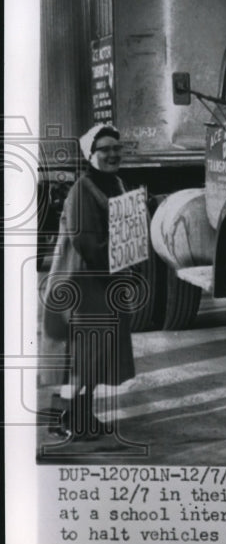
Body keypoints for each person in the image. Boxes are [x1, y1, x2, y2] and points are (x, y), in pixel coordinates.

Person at [41, 123, 136, 441]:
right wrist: (121, 258)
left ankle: (83, 415)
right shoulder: (82, 190)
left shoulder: (117, 184)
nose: (112, 154)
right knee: (81, 360)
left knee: (96, 358)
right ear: (90, 154)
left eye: (115, 148)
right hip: (83, 286)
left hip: (104, 285)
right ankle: (63, 418)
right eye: (104, 149)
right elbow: (86, 243)